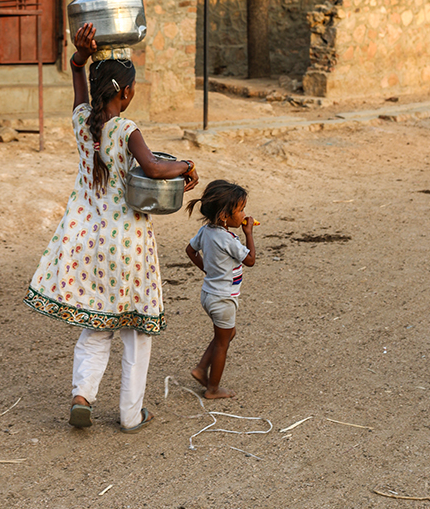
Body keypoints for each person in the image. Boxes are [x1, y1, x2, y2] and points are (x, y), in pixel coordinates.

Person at [24, 22, 199, 432]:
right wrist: (187, 166)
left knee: (95, 323)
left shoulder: (84, 122)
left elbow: (77, 80)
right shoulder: (126, 129)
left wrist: (79, 57)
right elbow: (154, 168)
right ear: (125, 92)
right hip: (127, 241)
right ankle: (130, 413)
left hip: (87, 238)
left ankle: (82, 395)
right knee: (136, 330)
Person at [185, 179, 256, 399]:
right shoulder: (229, 240)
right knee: (223, 344)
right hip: (224, 299)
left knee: (227, 333)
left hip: (208, 294)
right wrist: (249, 233)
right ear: (224, 216)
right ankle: (213, 388)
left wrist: (207, 269)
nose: (244, 214)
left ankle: (200, 369)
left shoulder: (206, 231)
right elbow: (251, 260)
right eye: (241, 210)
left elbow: (190, 250)